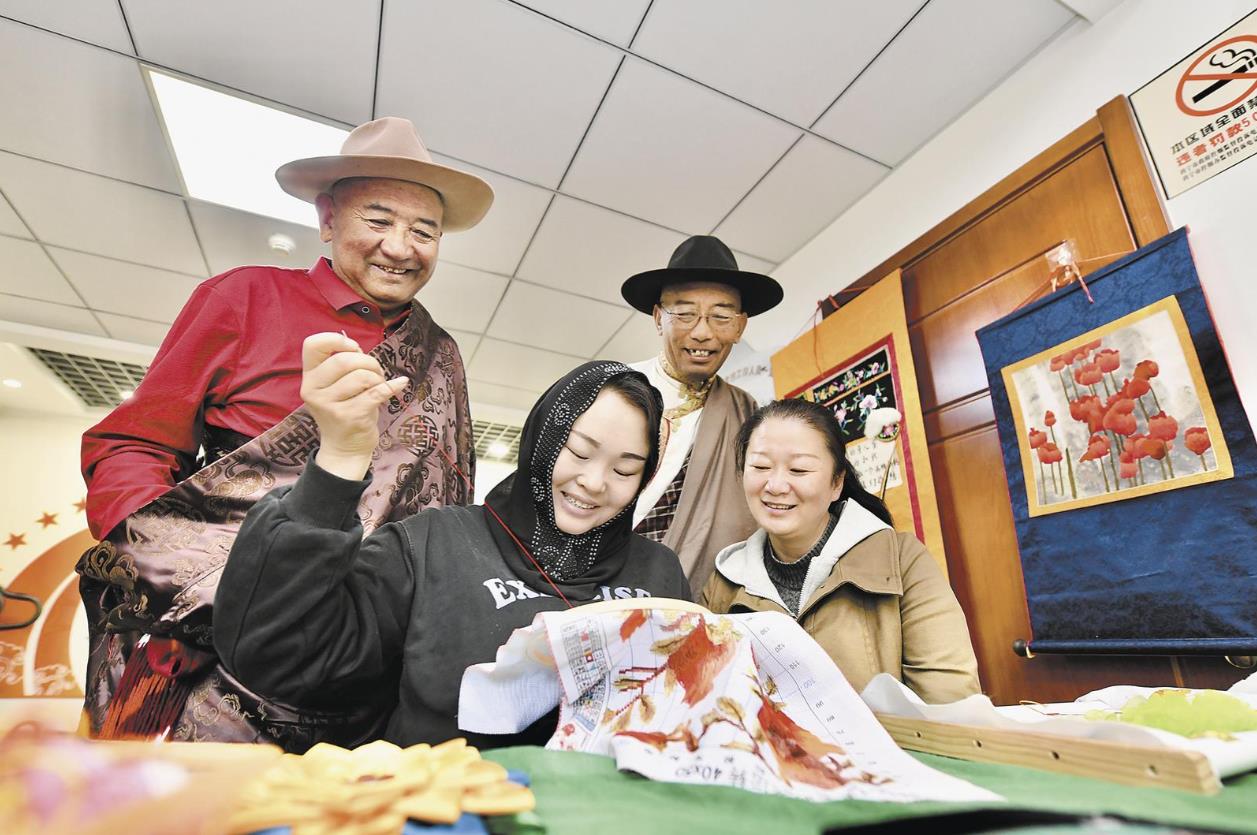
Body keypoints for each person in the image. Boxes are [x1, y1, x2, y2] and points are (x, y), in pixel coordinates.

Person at [76, 117, 493, 744]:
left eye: (423, 231)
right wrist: (180, 580)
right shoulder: (244, 296)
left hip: (360, 654)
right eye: (378, 220)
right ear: (328, 219)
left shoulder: (442, 354)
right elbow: (133, 445)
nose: (400, 247)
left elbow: (447, 505)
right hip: (209, 634)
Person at [214, 351, 691, 748]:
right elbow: (278, 654)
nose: (595, 482)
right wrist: (340, 458)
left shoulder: (659, 573)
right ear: (543, 441)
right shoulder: (432, 543)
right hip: (446, 805)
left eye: (625, 470)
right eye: (580, 453)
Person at [700, 399, 980, 703]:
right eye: (760, 467)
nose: (776, 485)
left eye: (799, 469)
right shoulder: (723, 584)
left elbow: (949, 703)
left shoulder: (903, 561)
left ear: (836, 483)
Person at [621, 235, 783, 597]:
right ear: (659, 318)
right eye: (684, 313)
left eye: (721, 316)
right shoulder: (611, 387)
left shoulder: (747, 413)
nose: (703, 333)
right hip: (596, 585)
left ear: (740, 327)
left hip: (696, 600)